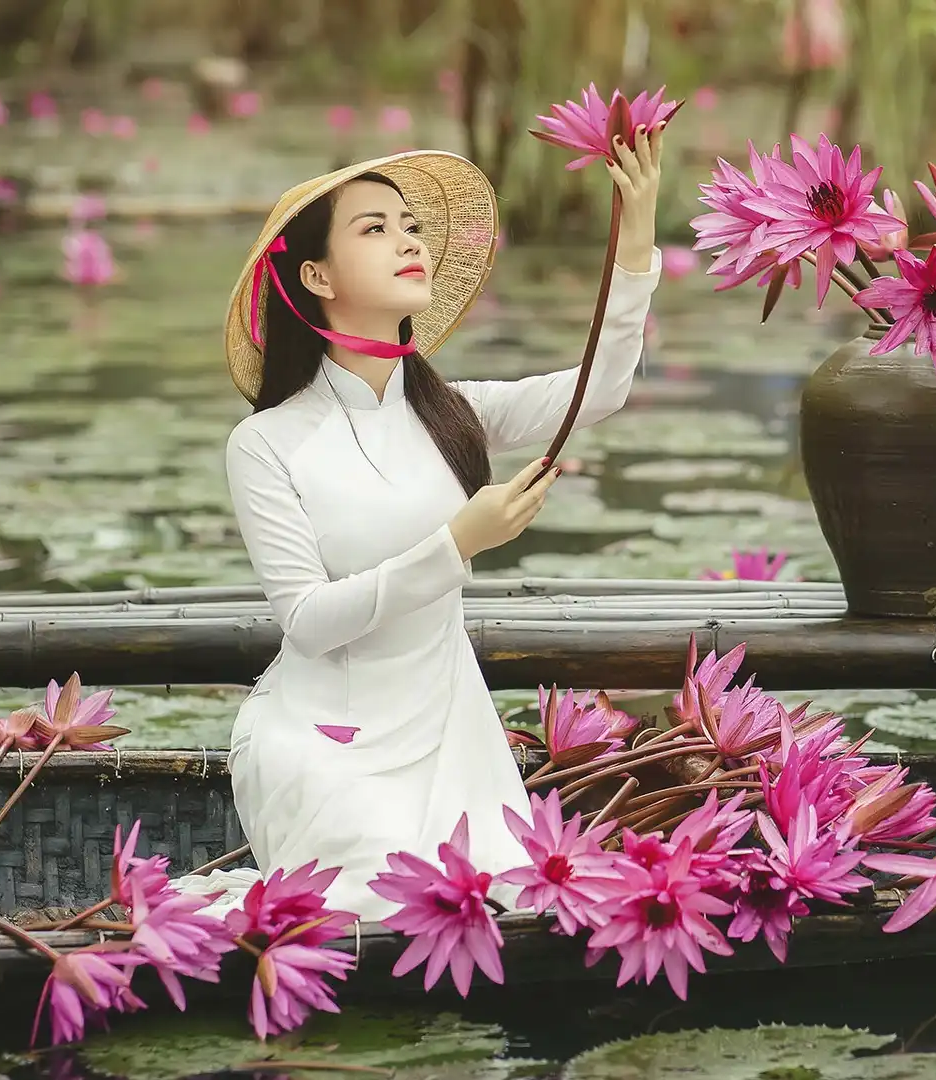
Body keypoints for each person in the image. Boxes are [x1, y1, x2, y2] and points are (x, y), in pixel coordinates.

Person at [188, 130, 665, 920]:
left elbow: (601, 388)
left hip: (452, 739)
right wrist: (456, 544)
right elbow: (306, 623)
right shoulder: (266, 443)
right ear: (316, 276)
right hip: (322, 742)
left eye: (409, 225)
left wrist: (638, 232)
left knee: (498, 908)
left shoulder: (454, 414)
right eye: (373, 228)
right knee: (378, 907)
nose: (407, 240)